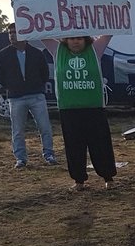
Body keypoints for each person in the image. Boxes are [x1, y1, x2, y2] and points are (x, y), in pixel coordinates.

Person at [45, 35, 117, 190]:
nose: (75, 41)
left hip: (94, 108)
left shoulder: (95, 49)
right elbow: (40, 32)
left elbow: (110, 31)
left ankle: (108, 177)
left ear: (86, 40)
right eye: (71, 38)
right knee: (74, 146)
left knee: (100, 144)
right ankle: (79, 180)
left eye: (79, 38)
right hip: (69, 109)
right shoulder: (58, 51)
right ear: (65, 40)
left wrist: (123, 10)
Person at [0, 23, 57, 169]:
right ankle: (21, 159)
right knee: (17, 130)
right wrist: (11, 86)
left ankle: (49, 154)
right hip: (16, 98)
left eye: (15, 32)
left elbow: (44, 73)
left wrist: (37, 86)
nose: (12, 35)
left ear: (24, 34)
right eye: (10, 33)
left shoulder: (36, 53)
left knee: (45, 127)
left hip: (36, 96)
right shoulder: (3, 55)